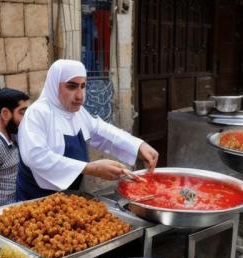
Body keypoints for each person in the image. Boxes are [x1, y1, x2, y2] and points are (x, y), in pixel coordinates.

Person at [16, 59, 158, 201]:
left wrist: (138, 146)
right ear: (54, 85)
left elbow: (102, 132)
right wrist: (91, 168)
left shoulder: (77, 113)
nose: (79, 96)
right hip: (35, 201)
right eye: (71, 87)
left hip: (68, 199)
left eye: (82, 86)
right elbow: (36, 156)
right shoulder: (37, 113)